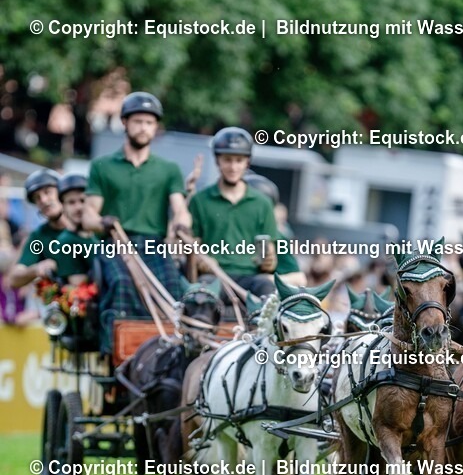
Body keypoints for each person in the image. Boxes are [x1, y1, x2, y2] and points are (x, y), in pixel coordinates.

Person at [82, 91, 191, 353]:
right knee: (121, 283)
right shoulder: (102, 166)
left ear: (156, 127)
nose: (143, 128)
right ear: (125, 123)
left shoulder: (168, 169)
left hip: (154, 244)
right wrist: (102, 222)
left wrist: (182, 225)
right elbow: (88, 216)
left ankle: (172, 349)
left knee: (173, 286)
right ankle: (116, 351)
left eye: (149, 123)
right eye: (138, 121)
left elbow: (180, 209)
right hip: (115, 242)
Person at [189, 128, 279, 297]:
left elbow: (270, 254)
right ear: (217, 160)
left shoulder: (262, 203)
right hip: (213, 276)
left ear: (248, 162)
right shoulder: (200, 200)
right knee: (202, 299)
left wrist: (269, 260)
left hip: (251, 277)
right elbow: (192, 244)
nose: (233, 166)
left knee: (268, 292)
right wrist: (200, 259)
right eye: (227, 160)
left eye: (239, 160)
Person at [9, 169, 90, 288]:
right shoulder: (40, 236)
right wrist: (36, 269)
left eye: (48, 192)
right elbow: (14, 278)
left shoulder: (88, 225)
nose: (44, 200)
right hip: (68, 301)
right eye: (37, 197)